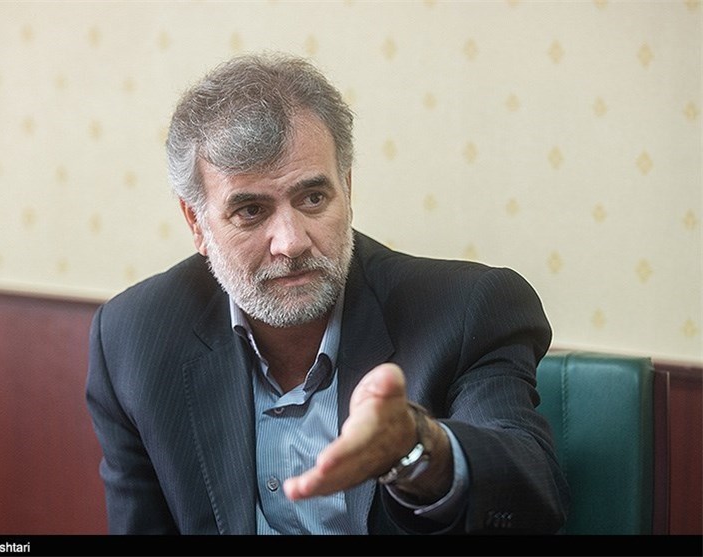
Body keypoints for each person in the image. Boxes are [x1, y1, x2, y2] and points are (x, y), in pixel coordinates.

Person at [85, 51, 570, 535]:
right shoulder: (133, 339)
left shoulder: (465, 310)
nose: (291, 242)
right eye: (251, 211)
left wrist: (417, 449)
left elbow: (533, 497)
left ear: (347, 190)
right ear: (196, 222)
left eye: (313, 198)